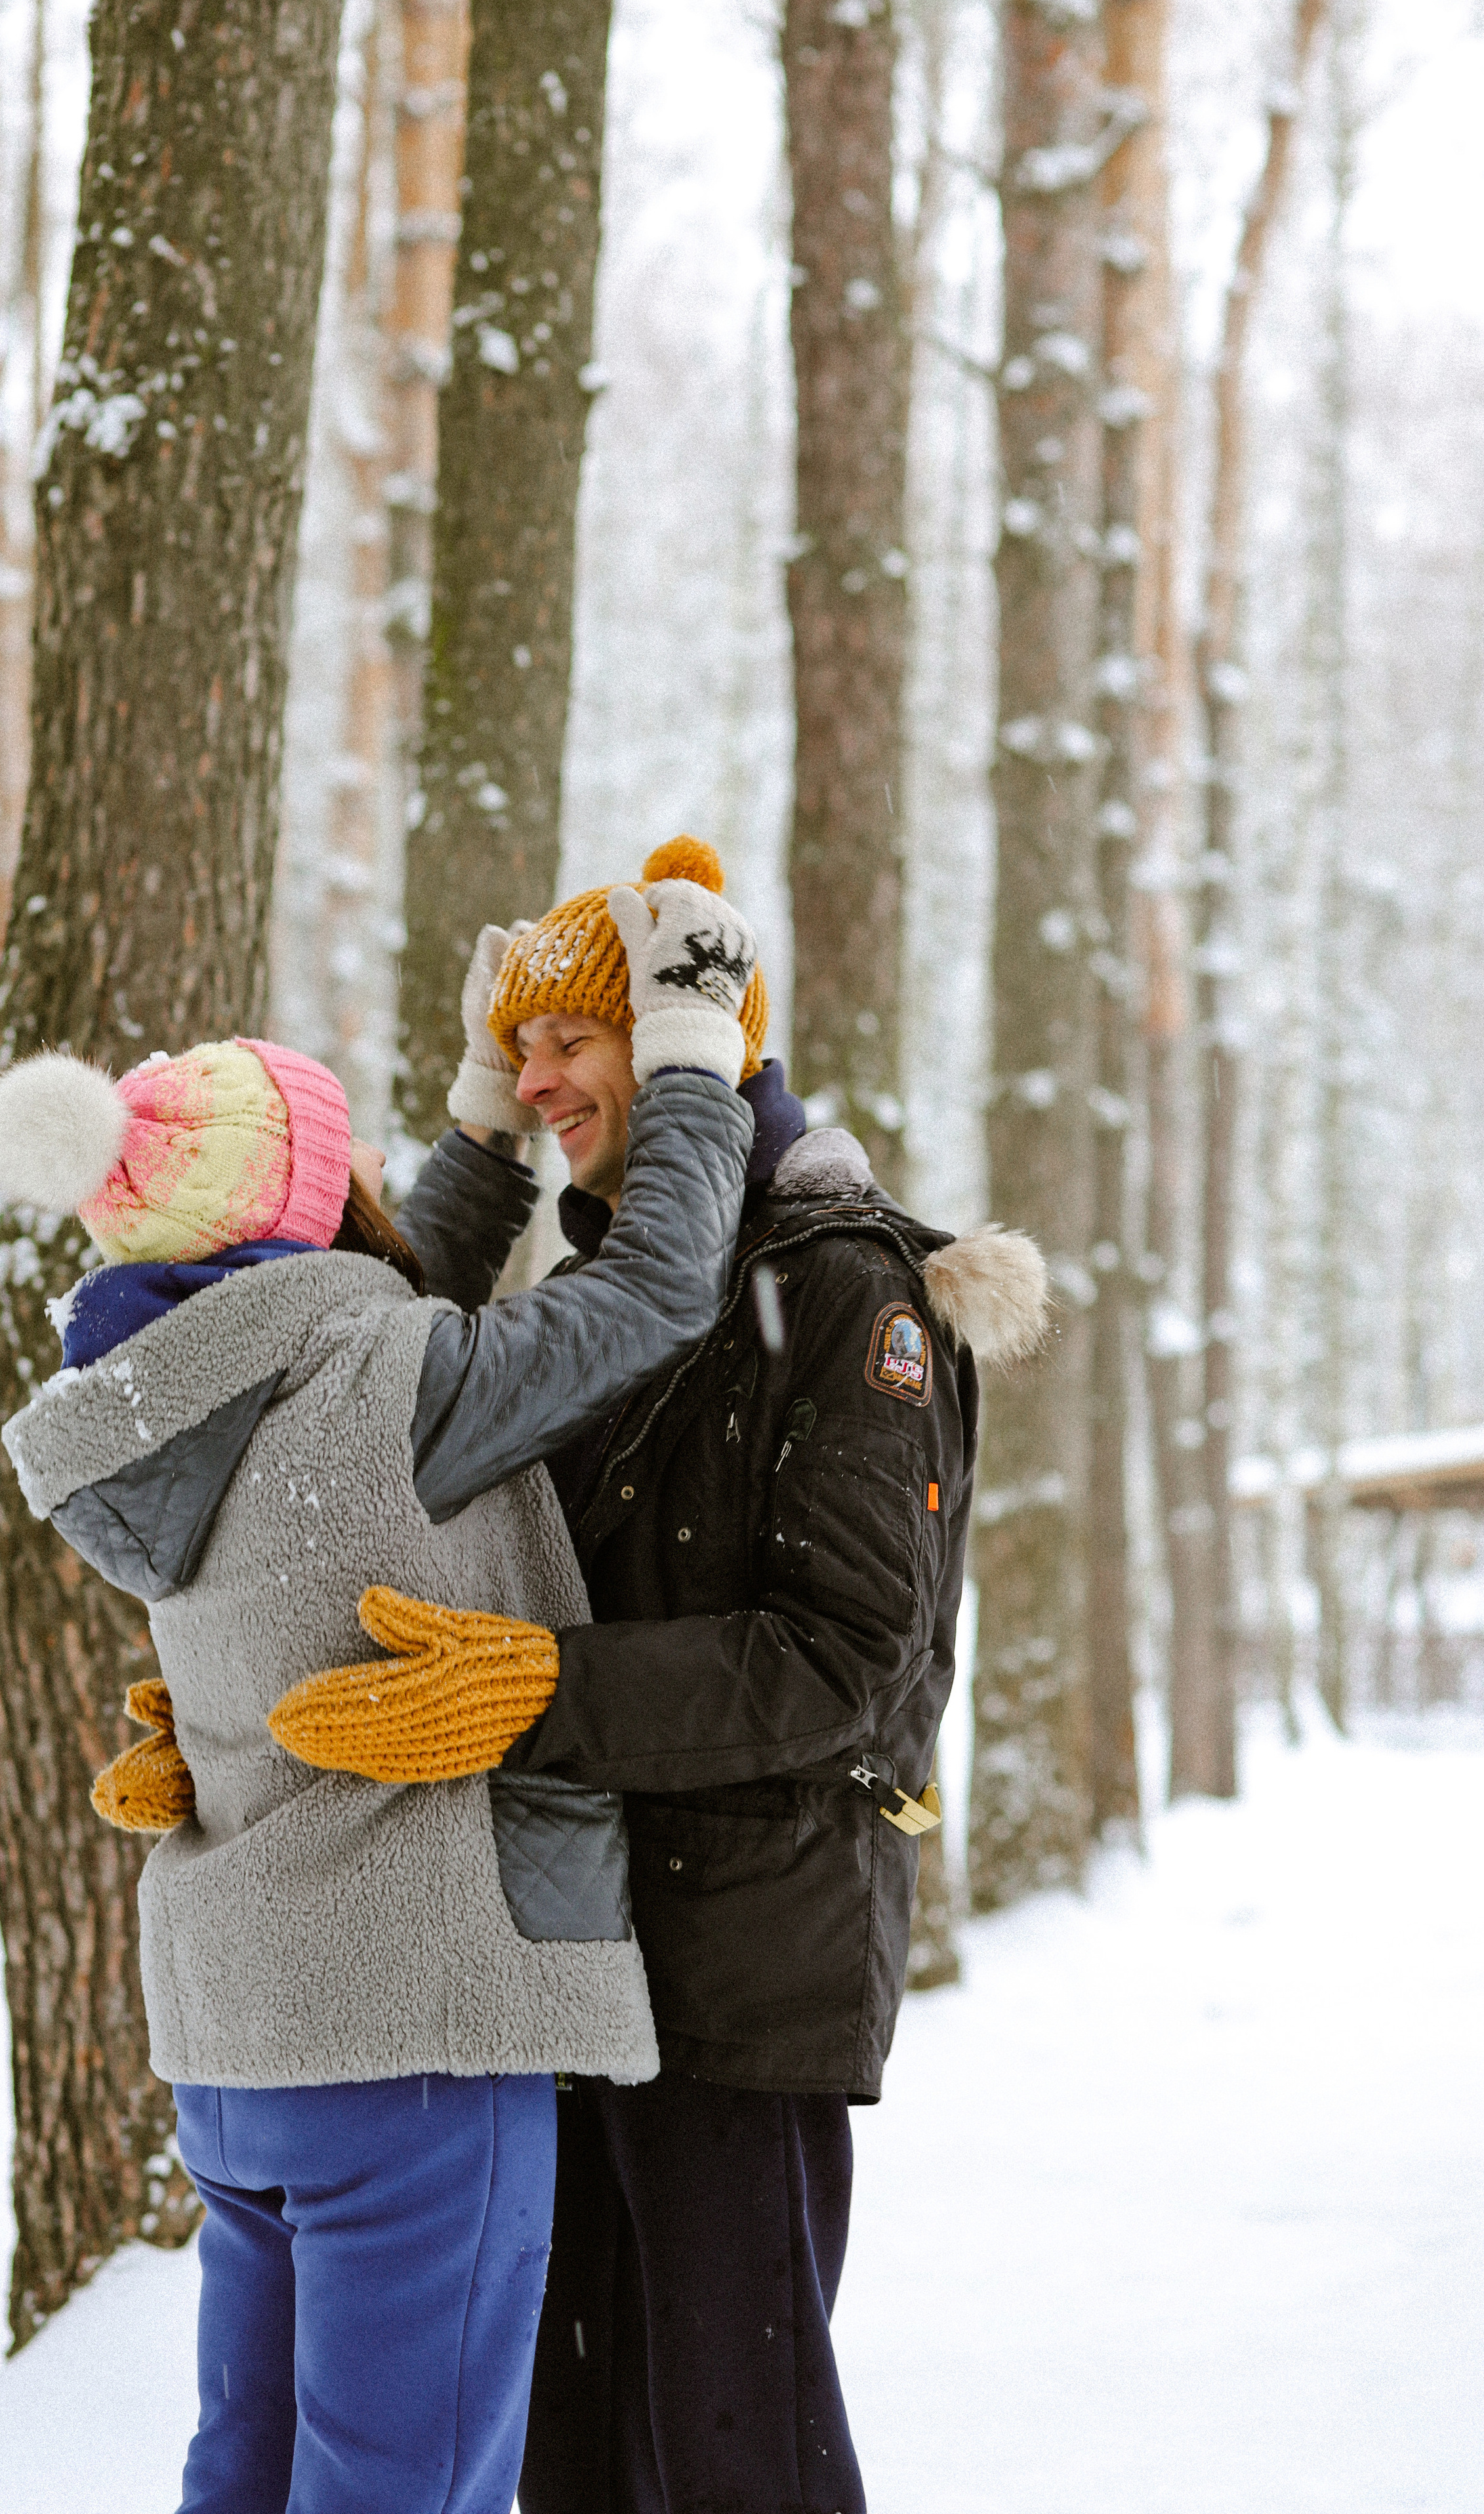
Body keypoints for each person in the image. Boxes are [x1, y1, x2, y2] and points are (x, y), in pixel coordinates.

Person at [271, 836, 1049, 2514]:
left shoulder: (847, 1294)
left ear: (696, 1047)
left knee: (731, 2457)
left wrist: (531, 1692)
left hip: (742, 1968)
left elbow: (840, 1660)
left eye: (574, 1040)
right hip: (579, 1962)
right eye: (522, 1045)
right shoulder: (624, 1290)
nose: (542, 1078)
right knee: (576, 2458)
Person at [0, 864, 760, 2514]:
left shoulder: (154, 1399)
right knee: (401, 2490)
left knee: (249, 2470)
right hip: (410, 2034)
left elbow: (362, 1304)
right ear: (309, 1211)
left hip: (240, 2047)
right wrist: (686, 1052)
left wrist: (486, 1121)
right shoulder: (370, 1385)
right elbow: (653, 1291)